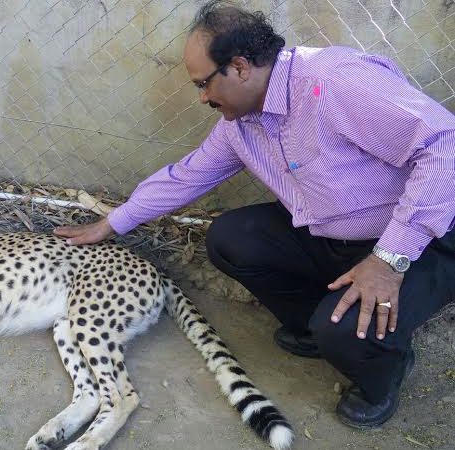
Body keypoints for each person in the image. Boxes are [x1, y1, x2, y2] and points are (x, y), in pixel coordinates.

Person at [54, 0, 455, 429]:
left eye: (204, 84)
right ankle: (321, 328)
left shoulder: (334, 83)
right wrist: (111, 223)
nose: (203, 97)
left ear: (241, 67)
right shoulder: (241, 123)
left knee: (342, 330)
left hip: (420, 243)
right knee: (231, 240)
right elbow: (186, 177)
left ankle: (384, 371)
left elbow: (445, 148)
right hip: (334, 234)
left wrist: (389, 260)